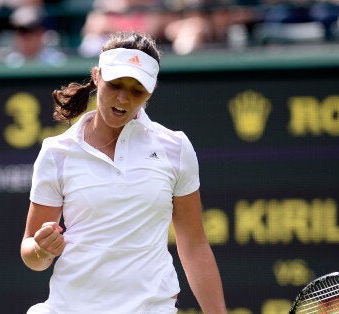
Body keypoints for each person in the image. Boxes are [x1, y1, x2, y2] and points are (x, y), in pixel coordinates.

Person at [20, 31, 227, 314]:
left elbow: (194, 245)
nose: (122, 98)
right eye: (115, 83)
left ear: (151, 91)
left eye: (136, 90)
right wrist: (43, 249)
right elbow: (32, 254)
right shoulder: (57, 152)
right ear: (96, 76)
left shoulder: (175, 147)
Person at [0, 4, 67, 68]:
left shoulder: (55, 61)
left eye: (28, 31)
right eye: (20, 31)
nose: (24, 37)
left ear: (40, 32)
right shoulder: (10, 61)